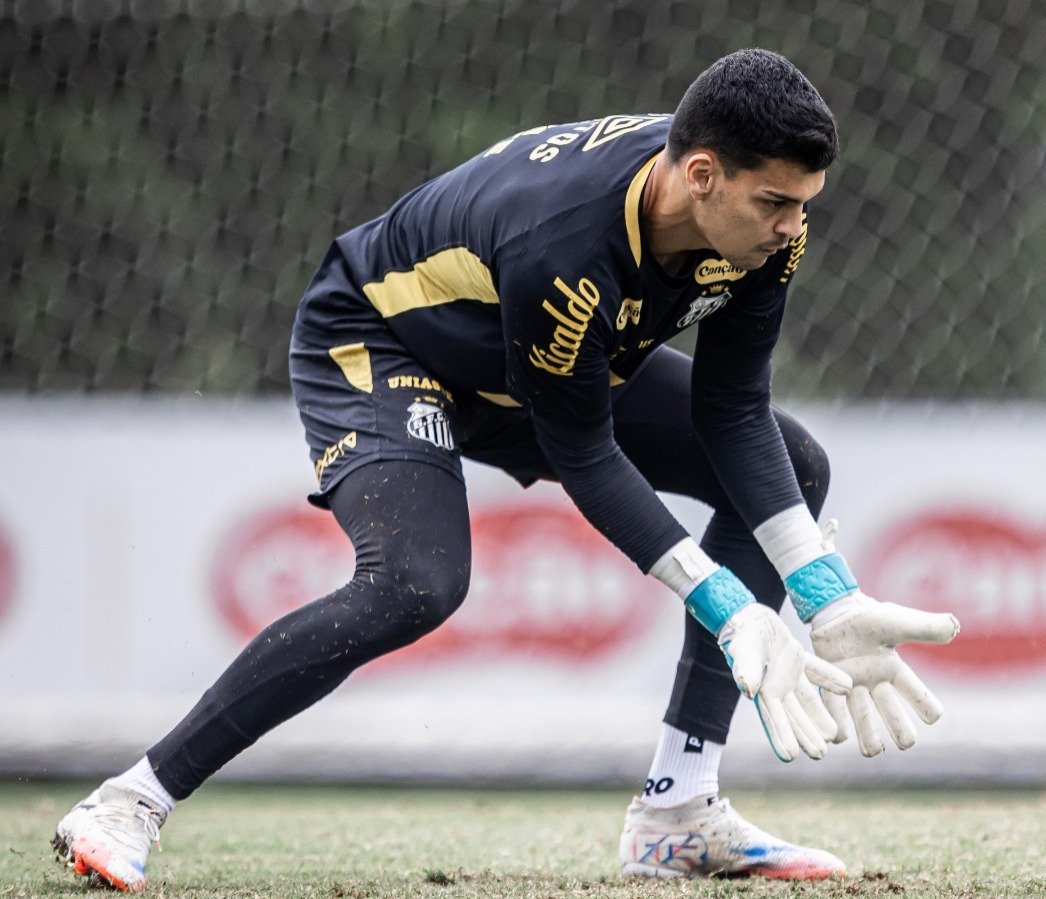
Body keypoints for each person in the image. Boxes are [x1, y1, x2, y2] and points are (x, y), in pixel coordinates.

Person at [52, 48, 959, 891]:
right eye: (776, 203)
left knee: (793, 464)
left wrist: (825, 592)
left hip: (538, 371)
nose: (794, 227)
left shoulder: (764, 229)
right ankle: (131, 798)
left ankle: (677, 813)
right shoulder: (564, 242)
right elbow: (585, 455)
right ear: (701, 176)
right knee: (415, 582)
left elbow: (732, 413)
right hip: (385, 343)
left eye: (806, 204)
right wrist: (724, 607)